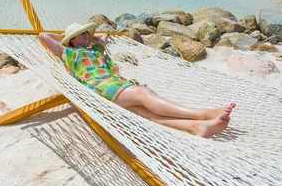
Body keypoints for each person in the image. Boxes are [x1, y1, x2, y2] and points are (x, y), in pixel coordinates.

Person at [38, 22, 235, 138]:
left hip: (113, 84)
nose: (85, 36)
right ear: (71, 39)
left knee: (145, 112)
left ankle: (196, 127)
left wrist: (87, 36)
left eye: (86, 33)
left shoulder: (95, 50)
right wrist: (65, 36)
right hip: (98, 87)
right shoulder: (67, 53)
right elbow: (43, 36)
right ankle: (202, 115)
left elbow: (104, 35)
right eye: (81, 34)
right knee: (144, 94)